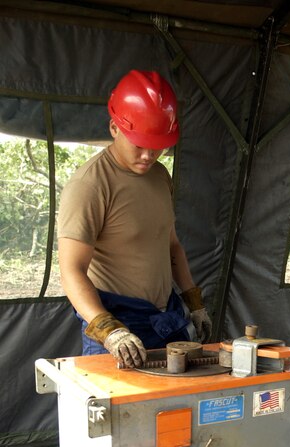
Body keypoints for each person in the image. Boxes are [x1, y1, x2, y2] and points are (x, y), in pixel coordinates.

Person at [58, 69, 212, 368]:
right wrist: (108, 330)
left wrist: (194, 302)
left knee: (171, 412)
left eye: (157, 145)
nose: (148, 155)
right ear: (115, 128)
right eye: (139, 144)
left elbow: (171, 245)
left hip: (164, 318)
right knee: (117, 412)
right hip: (117, 323)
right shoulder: (90, 185)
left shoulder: (160, 175)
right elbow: (71, 271)